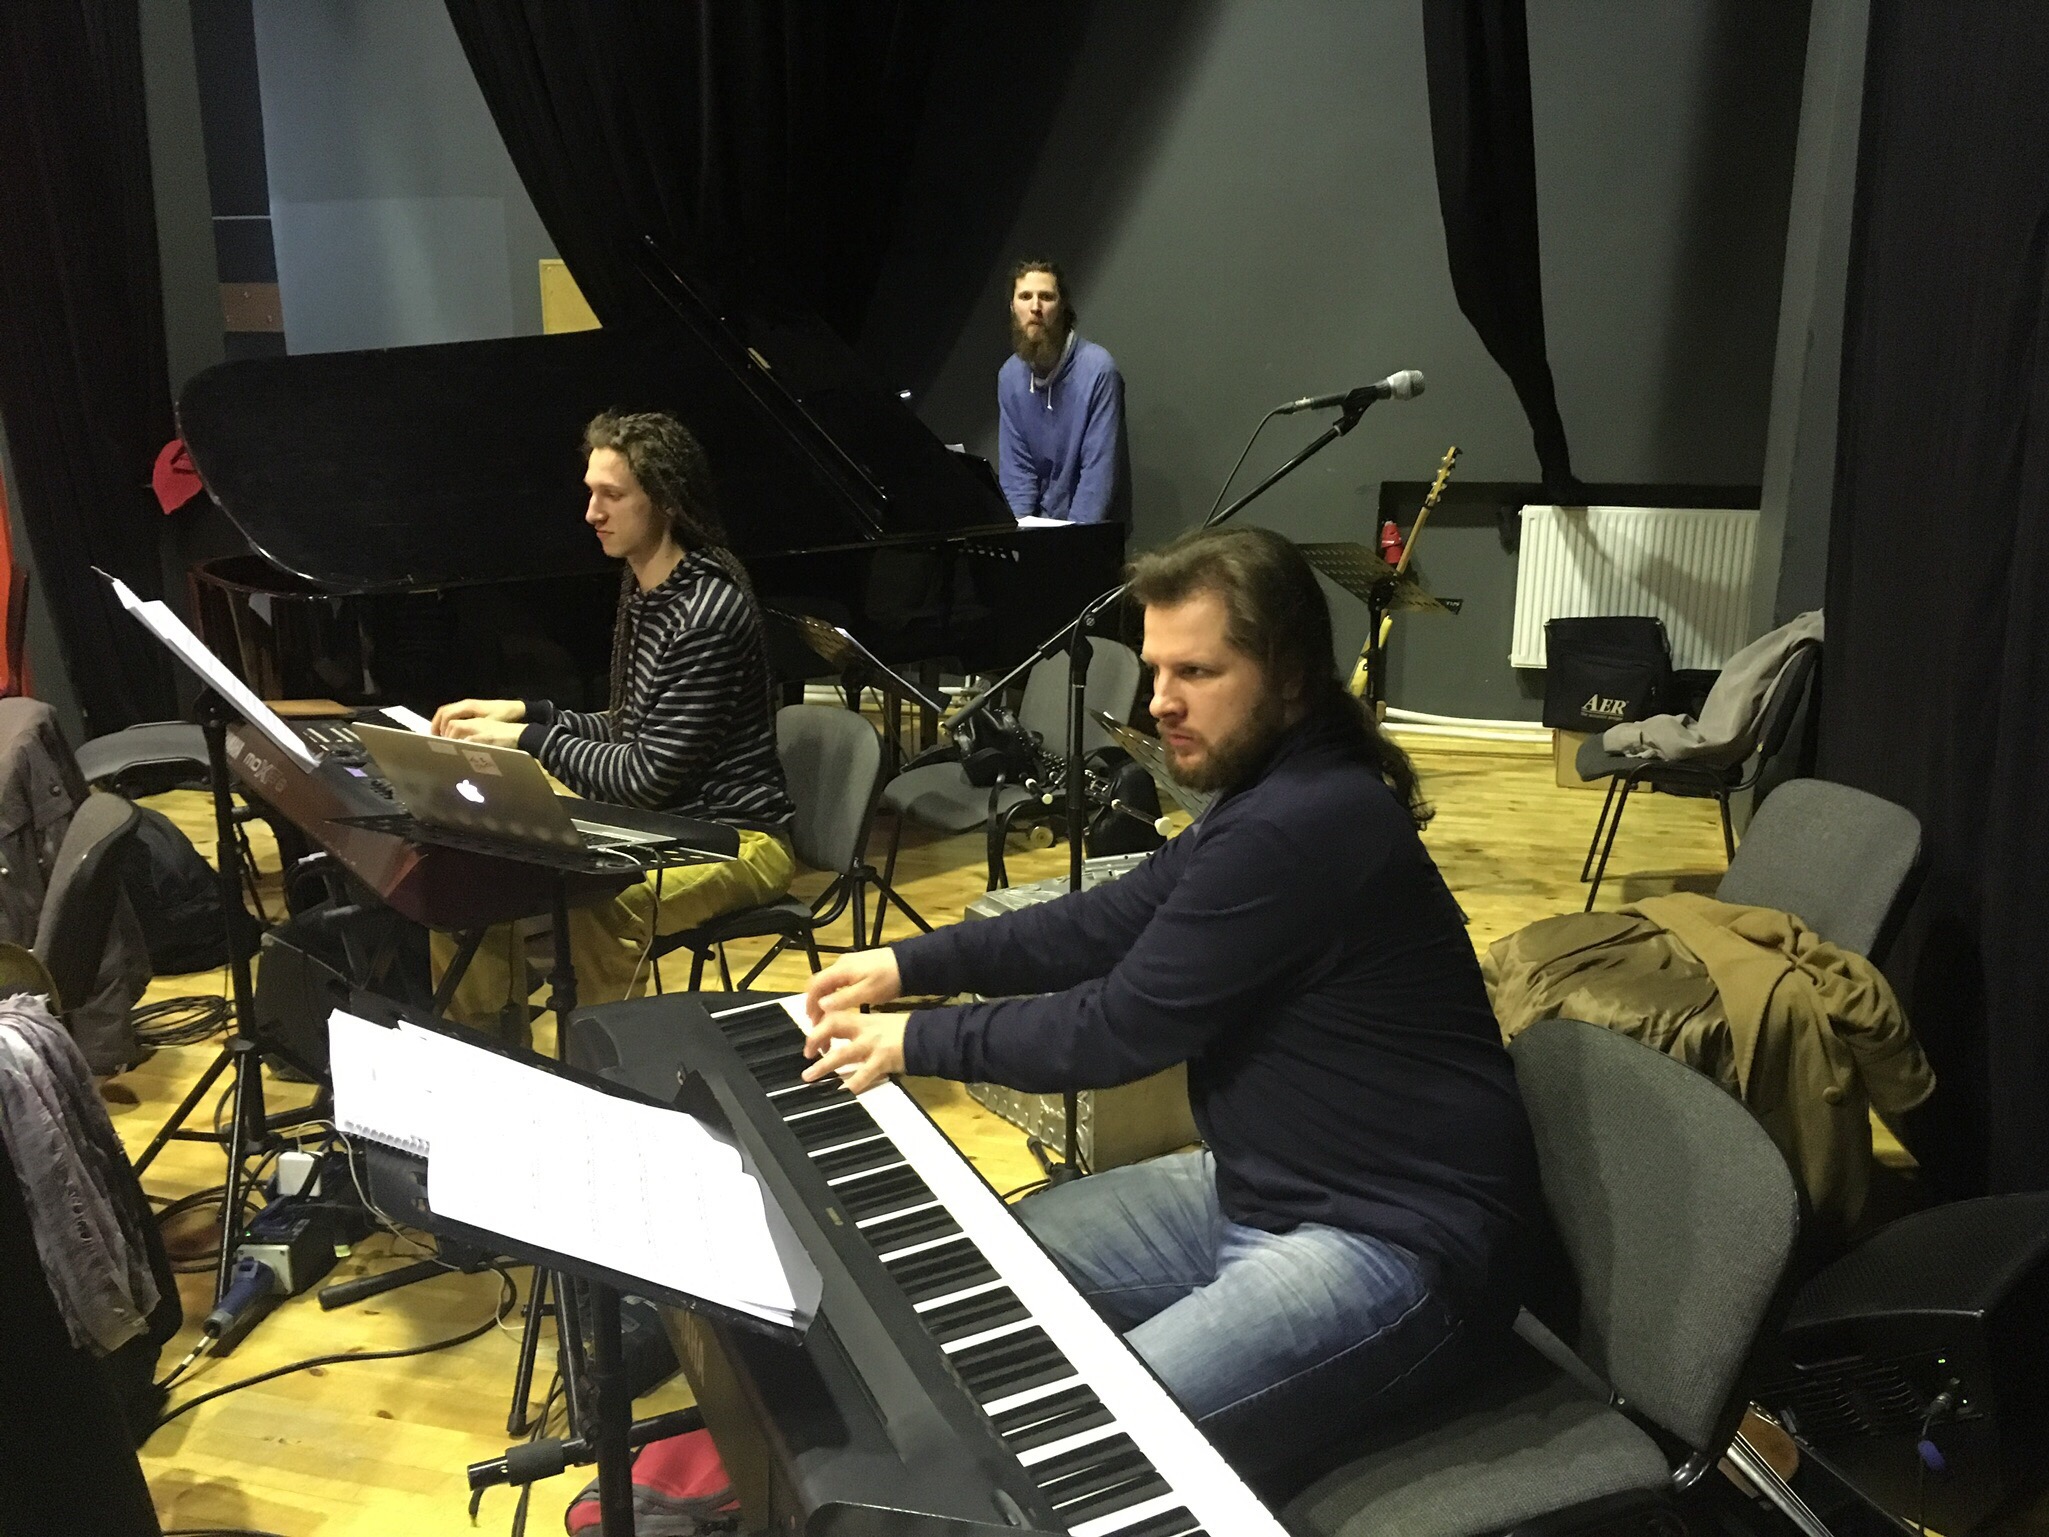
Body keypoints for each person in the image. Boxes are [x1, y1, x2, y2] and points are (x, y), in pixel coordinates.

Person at [798, 526, 1541, 1480]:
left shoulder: (1305, 820)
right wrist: (908, 962)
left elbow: (1117, 1028)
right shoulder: (1270, 791)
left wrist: (913, 1038)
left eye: (1195, 671)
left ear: (1288, 676)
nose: (1159, 700)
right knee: (974, 1281)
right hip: (1263, 1185)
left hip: (1391, 1243)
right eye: (1154, 669)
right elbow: (1104, 921)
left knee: (1078, 1445)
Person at [430, 410, 796, 1028]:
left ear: (666, 501)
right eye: (590, 492)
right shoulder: (647, 589)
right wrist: (528, 711)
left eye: (612, 495)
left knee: (590, 903)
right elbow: (631, 726)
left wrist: (527, 739)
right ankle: (488, 1051)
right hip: (666, 823)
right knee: (474, 878)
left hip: (737, 839)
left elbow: (643, 776)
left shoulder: (705, 612)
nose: (591, 513)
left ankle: (611, 1067)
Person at [997, 259, 1129, 525]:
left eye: (1046, 297)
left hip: (1091, 532)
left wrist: (1069, 543)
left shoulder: (1098, 370)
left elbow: (1097, 479)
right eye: (1025, 297)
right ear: (1012, 307)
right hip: (1039, 530)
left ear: (1062, 305)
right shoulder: (1010, 376)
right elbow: (1017, 475)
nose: (1035, 307)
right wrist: (1015, 538)